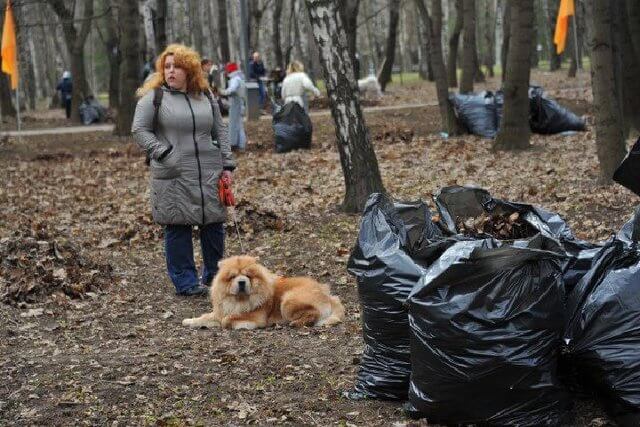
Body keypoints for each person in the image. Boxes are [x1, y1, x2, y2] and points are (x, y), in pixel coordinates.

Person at [131, 43, 236, 297]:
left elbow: (219, 130)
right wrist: (162, 152)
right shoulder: (154, 98)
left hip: (209, 172)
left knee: (213, 225)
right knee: (177, 227)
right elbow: (139, 130)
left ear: (189, 70)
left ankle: (213, 277)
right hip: (173, 173)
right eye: (166, 67)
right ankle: (186, 282)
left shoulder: (205, 95)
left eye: (176, 66)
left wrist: (227, 164)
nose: (171, 71)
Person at [221, 62, 247, 150]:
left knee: (237, 125)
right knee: (237, 125)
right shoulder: (239, 78)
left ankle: (240, 145)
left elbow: (232, 89)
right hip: (238, 103)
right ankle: (238, 144)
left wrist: (223, 92)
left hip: (236, 104)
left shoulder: (235, 79)